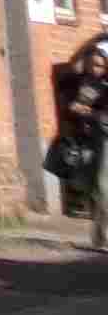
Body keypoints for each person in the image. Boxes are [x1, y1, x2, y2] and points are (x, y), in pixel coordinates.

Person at [50, 31, 108, 246]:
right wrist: (91, 42)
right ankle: (99, 234)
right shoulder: (77, 82)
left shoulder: (105, 87)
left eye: (100, 66)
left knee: (103, 187)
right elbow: (63, 97)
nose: (96, 69)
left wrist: (88, 113)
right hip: (82, 141)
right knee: (90, 187)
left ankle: (102, 237)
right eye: (92, 64)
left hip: (103, 139)